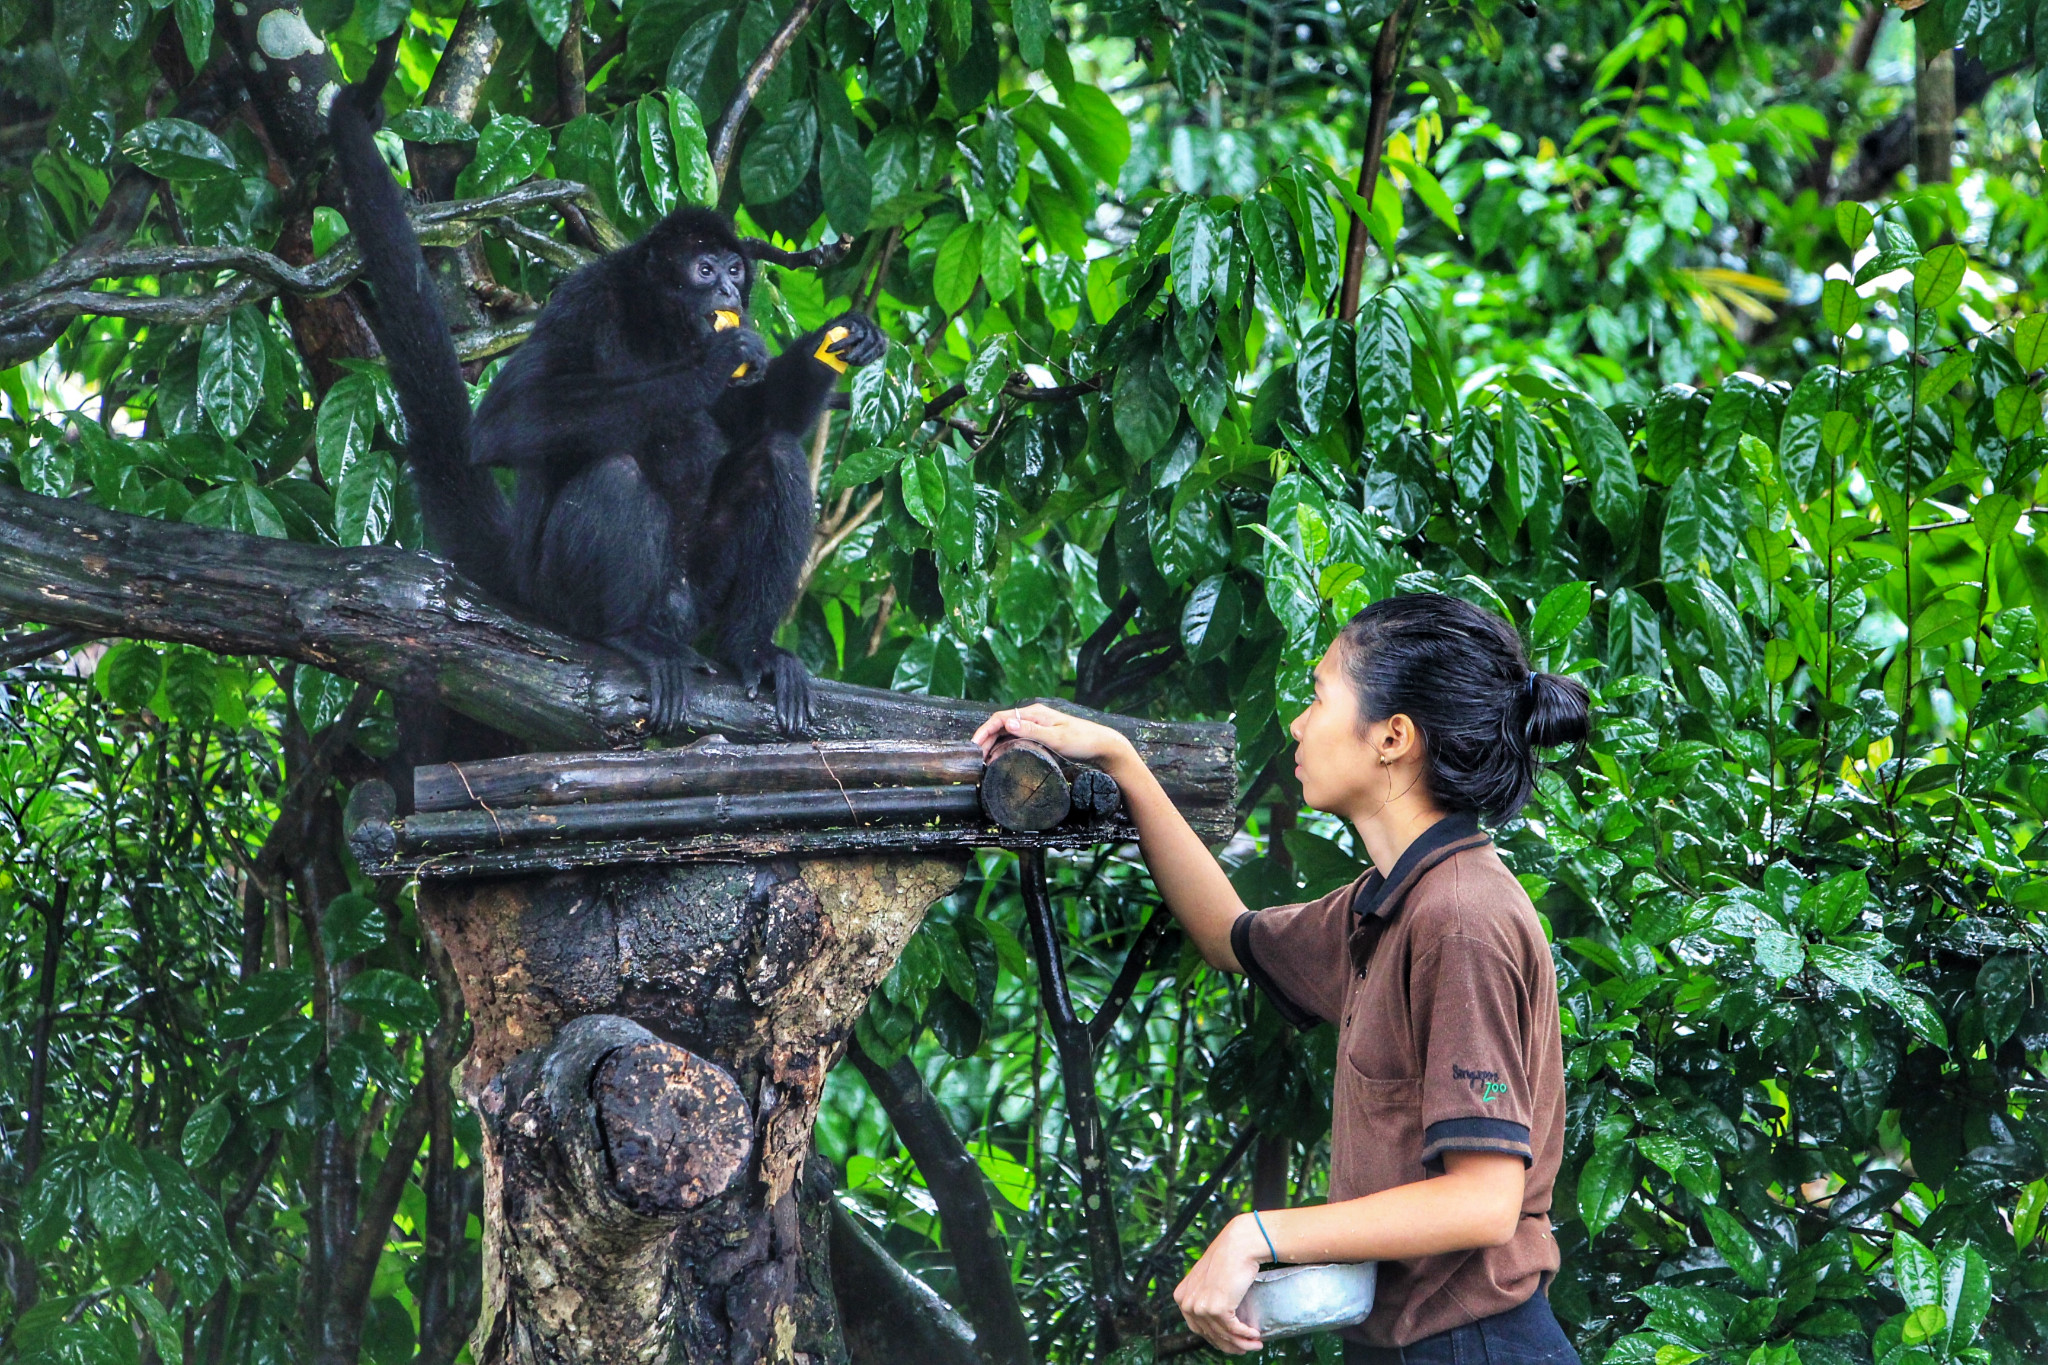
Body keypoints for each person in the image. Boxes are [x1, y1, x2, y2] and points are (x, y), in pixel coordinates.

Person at [973, 593, 1590, 1363]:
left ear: (1393, 737)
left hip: (1476, 1345)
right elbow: (1230, 935)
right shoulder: (1393, 901)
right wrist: (1121, 759)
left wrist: (1257, 1234)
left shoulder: (1462, 918)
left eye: (1319, 695)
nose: (1299, 722)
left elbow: (1485, 1199)